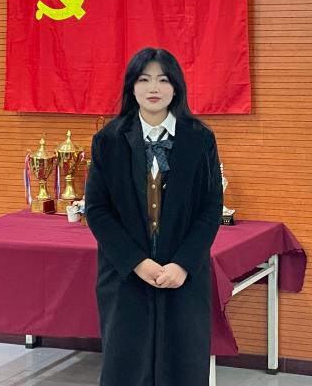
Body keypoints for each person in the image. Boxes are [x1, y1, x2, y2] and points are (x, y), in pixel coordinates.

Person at [85, 47, 223, 386]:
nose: (153, 88)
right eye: (144, 79)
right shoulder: (108, 140)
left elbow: (210, 208)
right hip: (125, 275)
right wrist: (136, 262)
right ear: (131, 87)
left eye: (163, 80)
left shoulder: (200, 138)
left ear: (176, 87)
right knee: (127, 366)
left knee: (182, 365)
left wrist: (183, 264)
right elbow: (97, 210)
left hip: (183, 275)